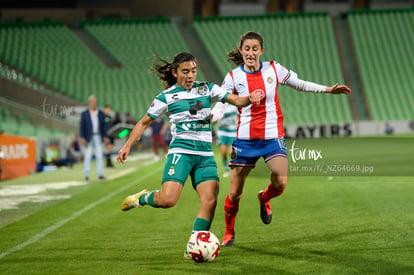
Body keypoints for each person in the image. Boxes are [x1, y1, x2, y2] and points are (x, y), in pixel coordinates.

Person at [211, 31, 352, 247]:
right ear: (241, 50)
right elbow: (222, 103)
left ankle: (264, 198)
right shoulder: (232, 77)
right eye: (246, 49)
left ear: (261, 50)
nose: (250, 53)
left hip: (272, 138)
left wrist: (327, 90)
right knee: (235, 192)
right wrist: (213, 116)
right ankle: (229, 233)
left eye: (254, 48)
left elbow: (300, 83)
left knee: (281, 182)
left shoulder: (274, 69)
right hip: (245, 141)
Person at [116, 52, 261, 258]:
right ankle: (141, 198)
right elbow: (144, 122)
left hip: (204, 155)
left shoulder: (207, 89)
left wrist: (250, 98)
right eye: (185, 71)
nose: (191, 75)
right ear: (175, 73)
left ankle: (193, 246)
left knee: (210, 200)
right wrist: (127, 146)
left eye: (193, 71)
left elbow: (237, 100)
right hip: (181, 153)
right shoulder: (166, 97)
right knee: (167, 200)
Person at [80, 95, 108, 181]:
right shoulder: (84, 114)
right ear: (89, 103)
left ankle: (100, 174)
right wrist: (82, 137)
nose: (94, 103)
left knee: (99, 156)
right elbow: (82, 126)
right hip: (88, 137)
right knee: (87, 156)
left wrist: (105, 136)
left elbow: (103, 126)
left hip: (98, 136)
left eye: (95, 102)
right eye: (92, 102)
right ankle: (86, 175)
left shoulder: (100, 113)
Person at [213, 102, 238, 177]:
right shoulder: (219, 106)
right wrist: (215, 120)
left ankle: (233, 169)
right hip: (222, 131)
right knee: (223, 152)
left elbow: (239, 115)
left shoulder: (234, 106)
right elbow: (214, 120)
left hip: (232, 130)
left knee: (231, 152)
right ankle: (226, 169)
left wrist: (238, 123)